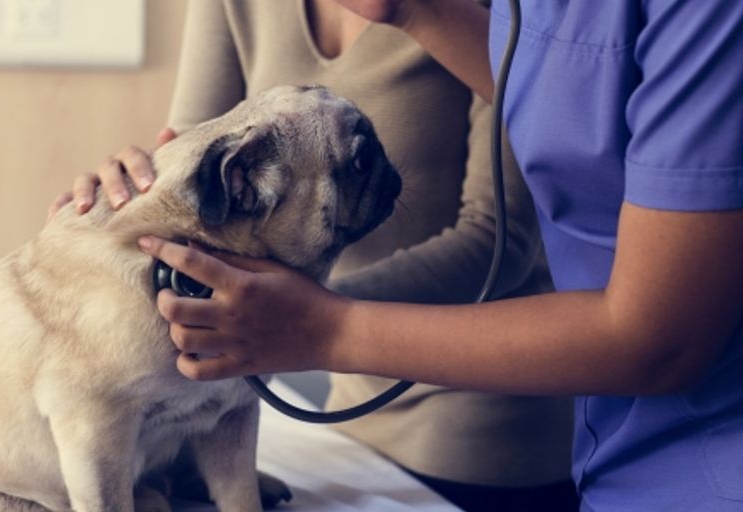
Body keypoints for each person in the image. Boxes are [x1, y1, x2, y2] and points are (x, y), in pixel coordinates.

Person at [128, 1, 743, 511]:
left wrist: (312, 323)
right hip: (358, 420)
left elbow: (655, 334)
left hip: (521, 440)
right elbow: (192, 190)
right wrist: (125, 198)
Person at [53, 1, 579, 510]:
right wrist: (126, 199)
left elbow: (497, 242)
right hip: (340, 419)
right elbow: (199, 176)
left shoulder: (506, 12)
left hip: (475, 437)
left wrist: (303, 321)